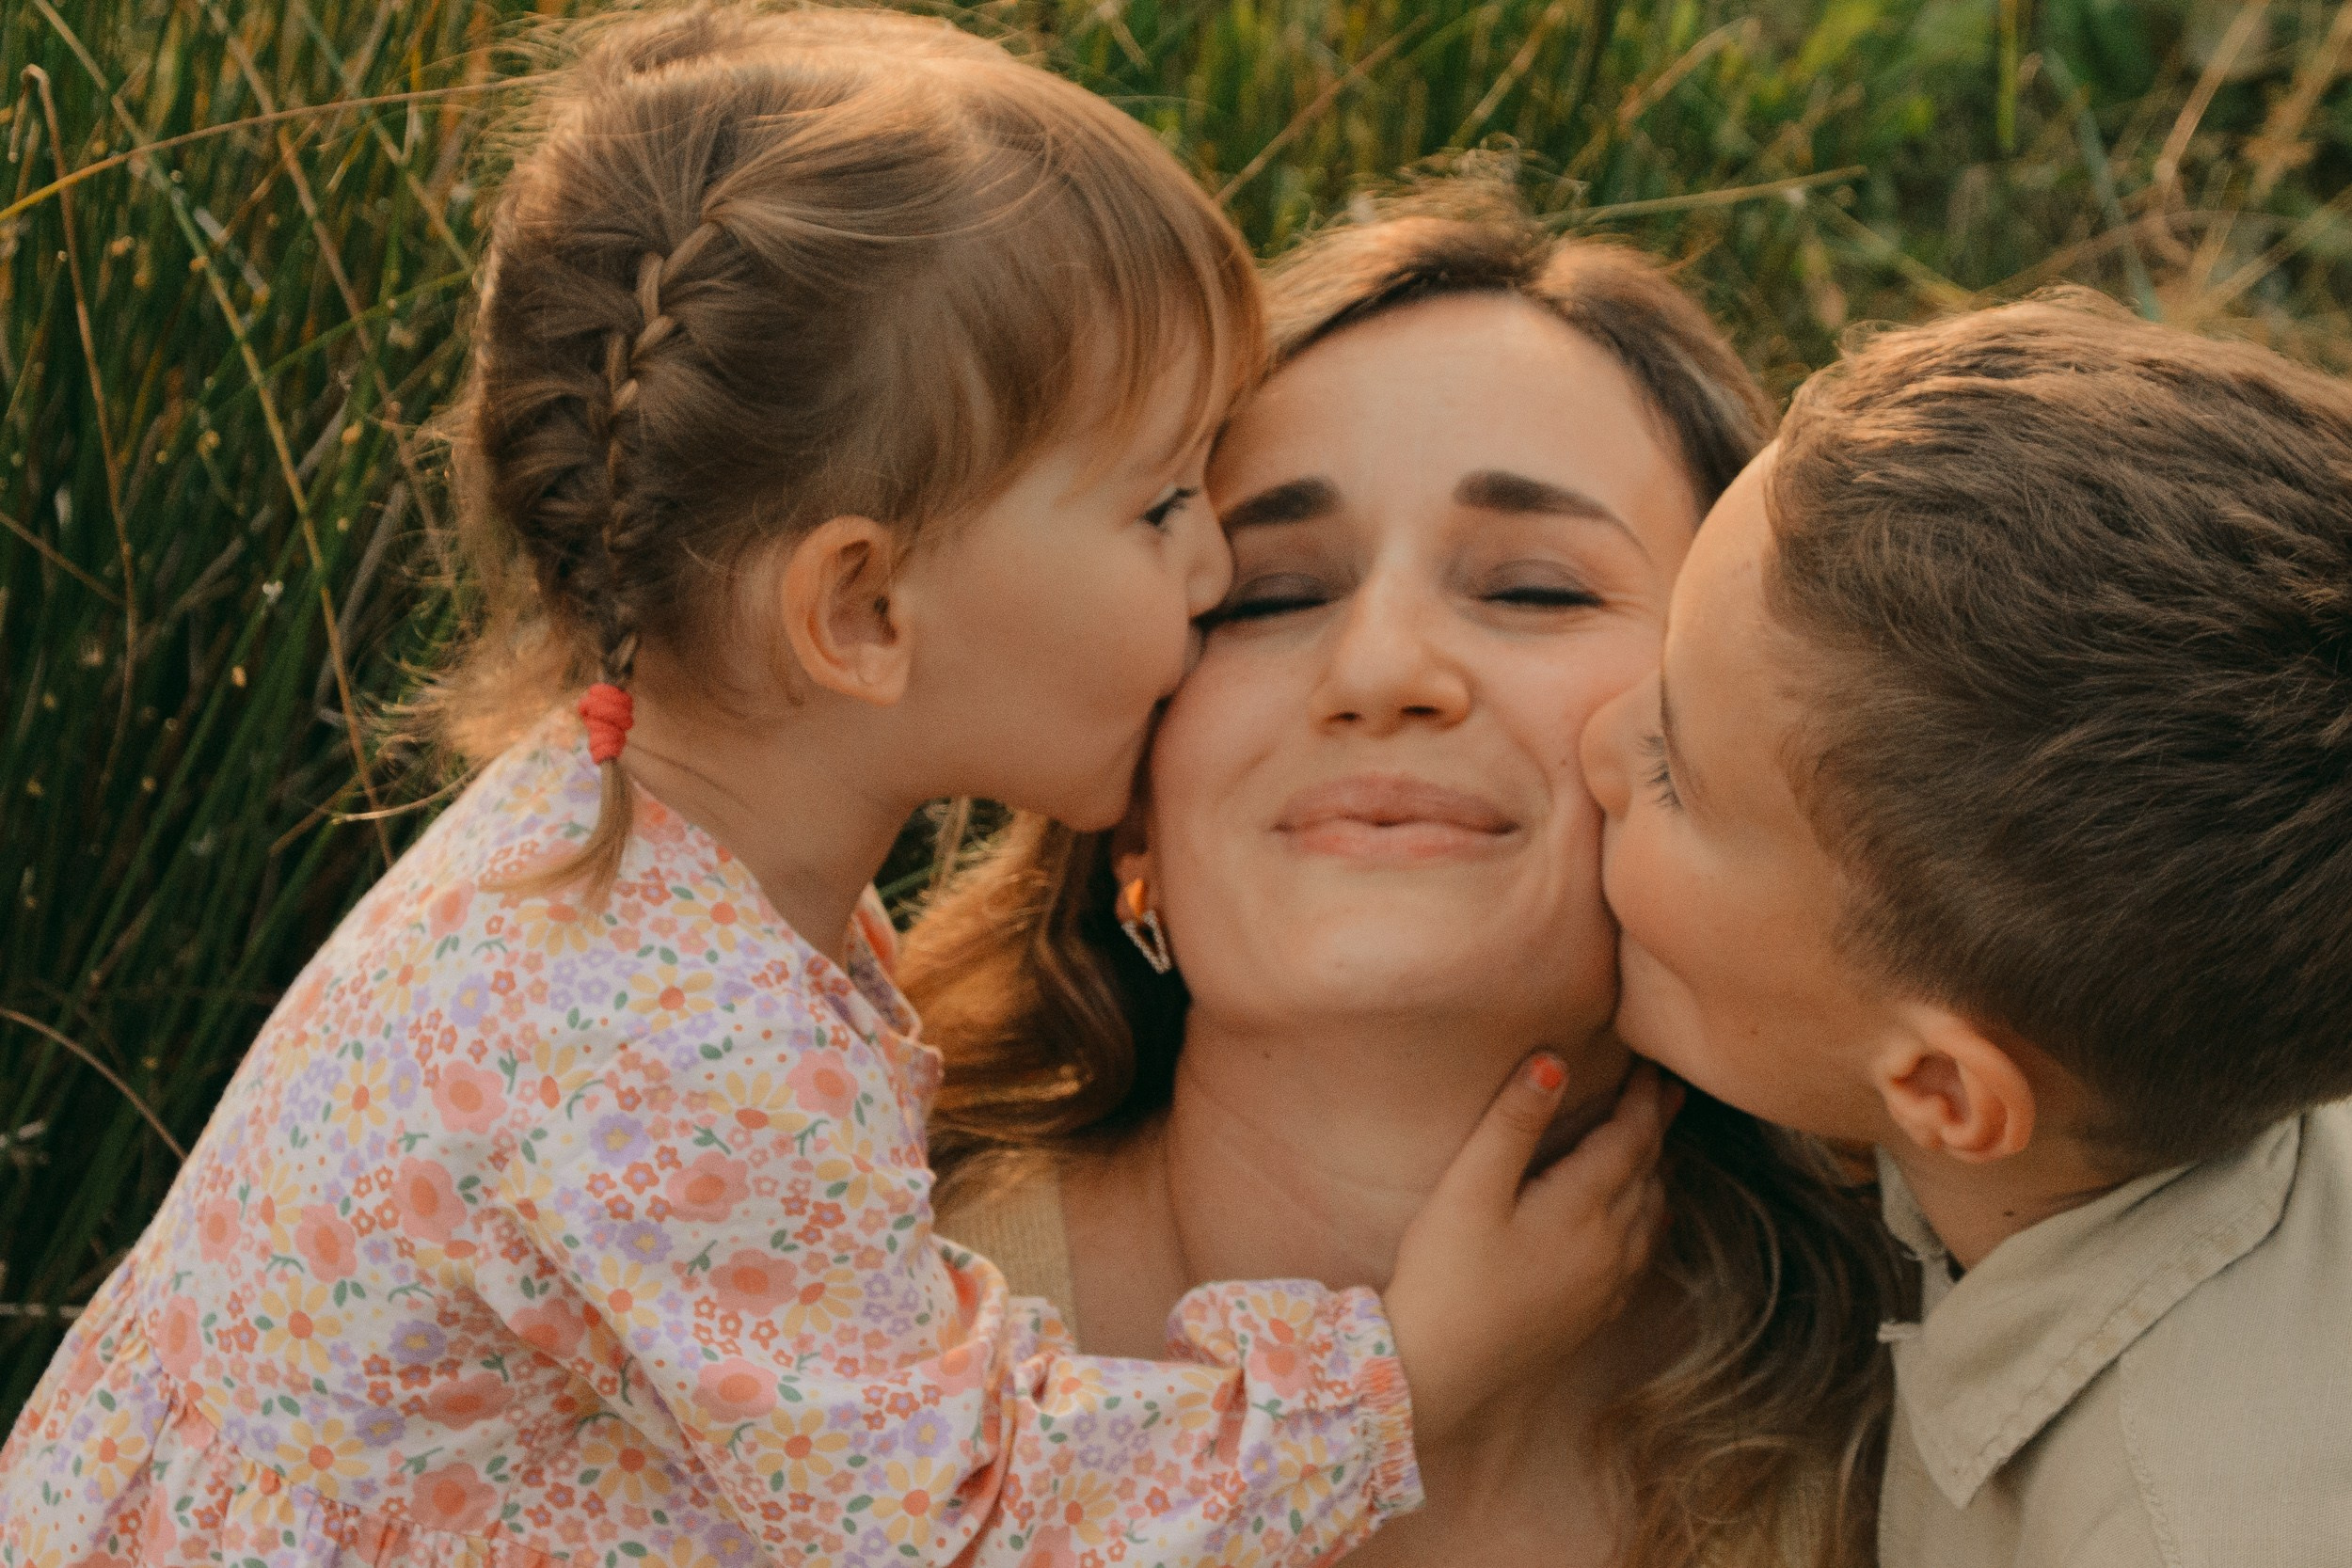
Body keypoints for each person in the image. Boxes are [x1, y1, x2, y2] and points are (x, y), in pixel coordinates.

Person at [0, 14, 1677, 1566]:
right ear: (862, 612)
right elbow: (961, 1524)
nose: (1212, 554)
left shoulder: (609, 868)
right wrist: (1403, 1375)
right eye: (1163, 506)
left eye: (1532, 587)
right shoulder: (671, 1042)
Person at [906, 187, 1903, 1568]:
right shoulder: (819, 1317)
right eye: (1266, 595)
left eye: (1536, 590)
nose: (1380, 672)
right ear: (1127, 806)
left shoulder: (1936, 1409)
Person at [1581, 290, 2352, 1566]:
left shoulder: (2167, 1526)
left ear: (1943, 1086)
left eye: (1675, 776)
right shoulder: (2137, 1066)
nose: (1600, 739)